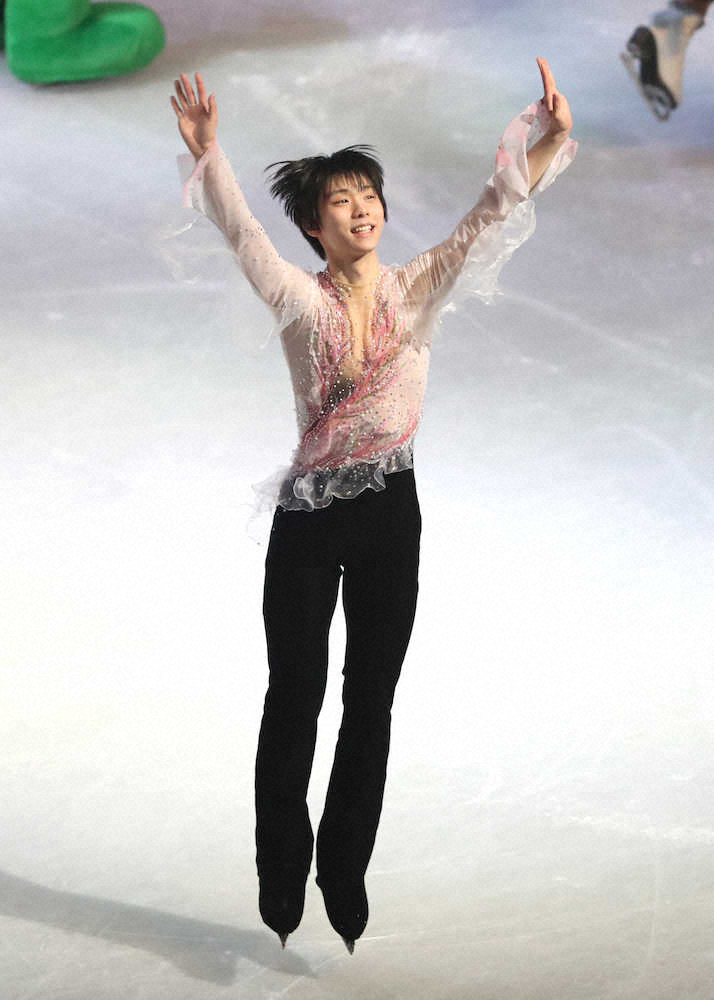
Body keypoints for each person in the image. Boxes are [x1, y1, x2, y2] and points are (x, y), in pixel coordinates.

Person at [170, 60, 576, 953]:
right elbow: (240, 230)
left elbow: (491, 212)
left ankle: (344, 866)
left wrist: (545, 141)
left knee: (371, 698)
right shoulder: (296, 296)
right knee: (295, 694)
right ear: (315, 227)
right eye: (341, 202)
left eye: (369, 197)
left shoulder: (418, 285)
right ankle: (282, 863)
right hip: (309, 520)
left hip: (392, 512)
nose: (361, 210)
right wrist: (208, 154)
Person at [621, 0, 709, 119]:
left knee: (662, 38)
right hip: (683, 15)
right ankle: (642, 46)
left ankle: (643, 44)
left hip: (680, 14)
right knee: (664, 42)